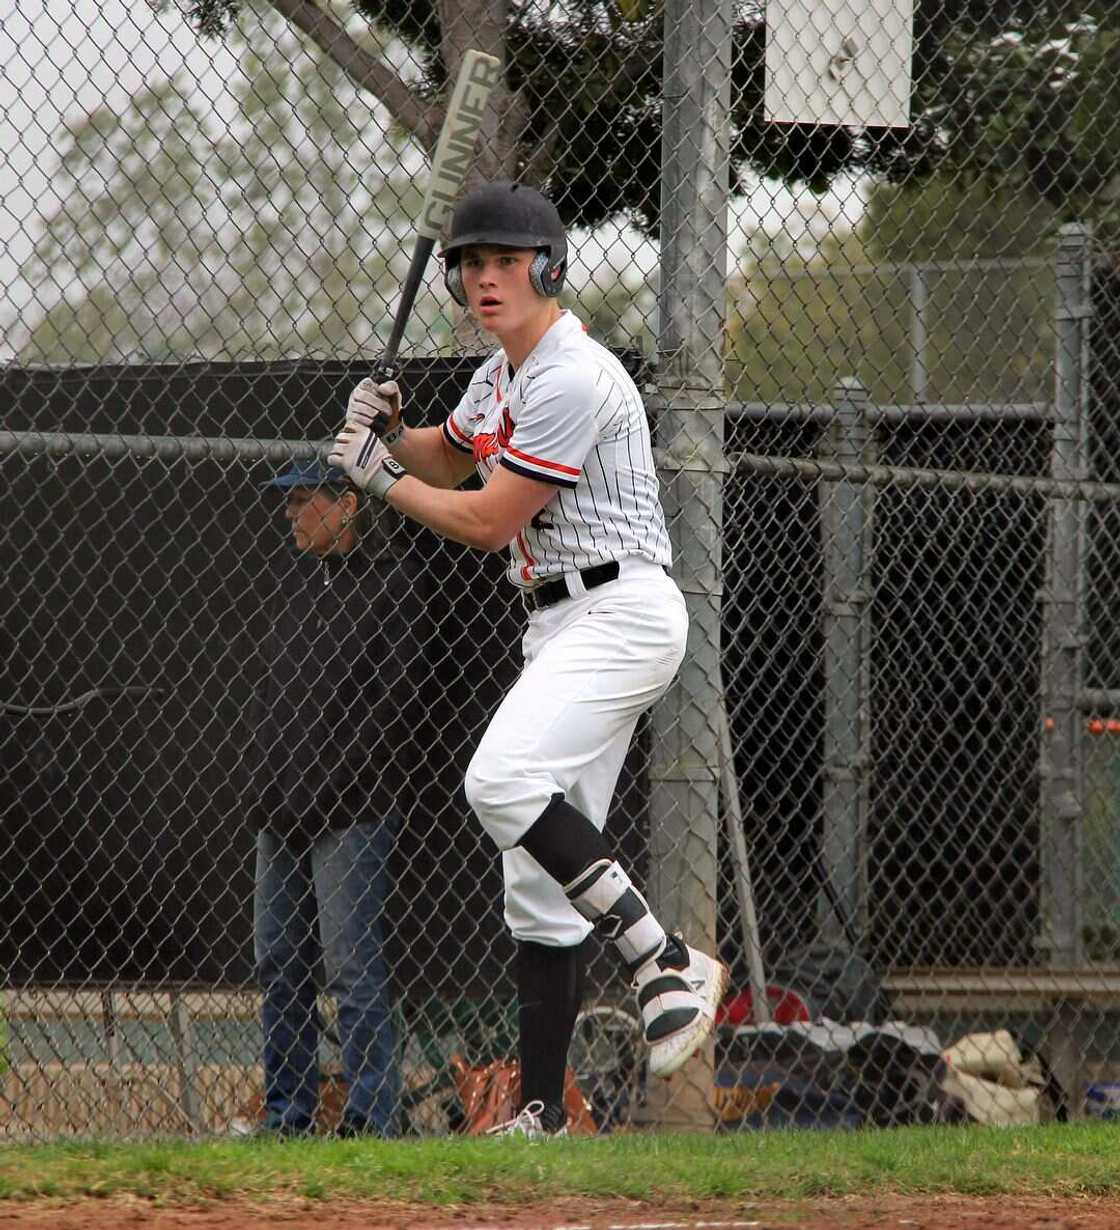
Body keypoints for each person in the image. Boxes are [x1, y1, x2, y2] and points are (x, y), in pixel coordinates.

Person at [328, 181, 727, 1138]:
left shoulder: (569, 374)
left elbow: (484, 517)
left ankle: (663, 957)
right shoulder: (505, 375)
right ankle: (544, 1117)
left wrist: (377, 482)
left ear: (549, 268)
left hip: (621, 610)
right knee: (536, 888)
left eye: (506, 261)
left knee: (501, 779)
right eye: (471, 264)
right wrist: (389, 430)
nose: (483, 278)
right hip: (558, 623)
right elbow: (450, 461)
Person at [244, 458, 430, 1138]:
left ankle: (371, 1119)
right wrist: (269, 788)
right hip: (282, 810)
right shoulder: (293, 585)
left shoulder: (393, 584)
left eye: (302, 501)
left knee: (352, 967)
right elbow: (269, 698)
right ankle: (287, 1115)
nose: (289, 515)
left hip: (353, 809)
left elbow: (393, 709)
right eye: (287, 502)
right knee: (279, 960)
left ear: (347, 504)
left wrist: (328, 788)